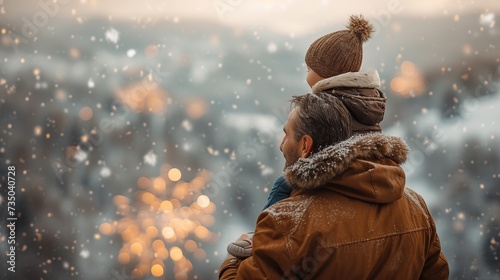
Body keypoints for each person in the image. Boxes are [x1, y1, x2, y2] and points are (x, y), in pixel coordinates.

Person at [220, 16, 449, 279]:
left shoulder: (291, 224)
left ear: (306, 145)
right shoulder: (415, 208)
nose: (282, 145)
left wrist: (236, 259)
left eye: (288, 136)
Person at [227, 14, 388, 258]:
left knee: (285, 183)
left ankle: (260, 237)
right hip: (361, 158)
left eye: (309, 68)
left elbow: (332, 138)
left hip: (339, 161)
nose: (306, 73)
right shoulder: (362, 97)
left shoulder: (331, 101)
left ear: (326, 73)